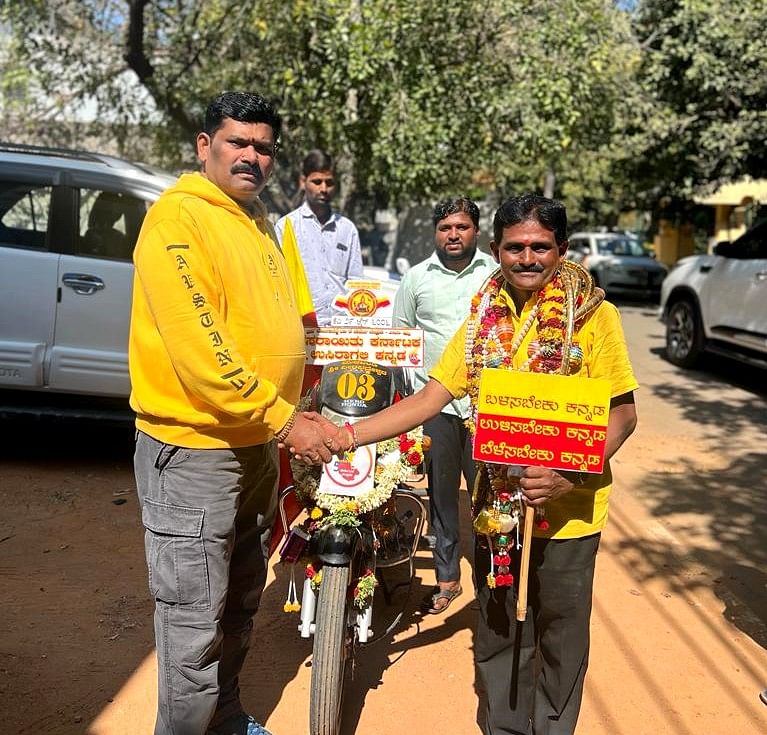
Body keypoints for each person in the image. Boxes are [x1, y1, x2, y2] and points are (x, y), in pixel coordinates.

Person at [297, 194, 638, 735]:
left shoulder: (596, 318)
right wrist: (345, 435)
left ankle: (552, 729)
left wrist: (566, 474)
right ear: (497, 250)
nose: (528, 258)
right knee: (499, 626)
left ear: (562, 249)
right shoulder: (481, 317)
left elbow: (623, 415)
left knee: (559, 633)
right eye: (515, 248)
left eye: (540, 247)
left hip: (572, 511)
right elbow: (430, 398)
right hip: (495, 508)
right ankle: (502, 727)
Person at [129, 91, 339, 735]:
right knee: (193, 628)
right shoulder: (178, 222)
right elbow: (202, 351)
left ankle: (223, 720)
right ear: (204, 146)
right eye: (238, 143)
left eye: (263, 147)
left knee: (241, 600)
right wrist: (285, 420)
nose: (252, 156)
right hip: (194, 451)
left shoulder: (254, 222)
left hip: (250, 449)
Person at [392, 196, 495, 614]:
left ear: (476, 231)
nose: (453, 235)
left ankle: (494, 581)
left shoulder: (495, 276)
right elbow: (400, 340)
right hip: (435, 406)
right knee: (442, 497)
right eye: (445, 227)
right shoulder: (416, 279)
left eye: (462, 227)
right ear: (436, 231)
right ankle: (448, 578)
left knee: (488, 496)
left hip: (486, 406)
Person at [274, 150, 364, 325]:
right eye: (317, 182)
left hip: (341, 330)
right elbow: (278, 283)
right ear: (303, 182)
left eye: (329, 183)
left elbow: (356, 283)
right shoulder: (287, 226)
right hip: (300, 327)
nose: (323, 189)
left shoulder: (347, 229)